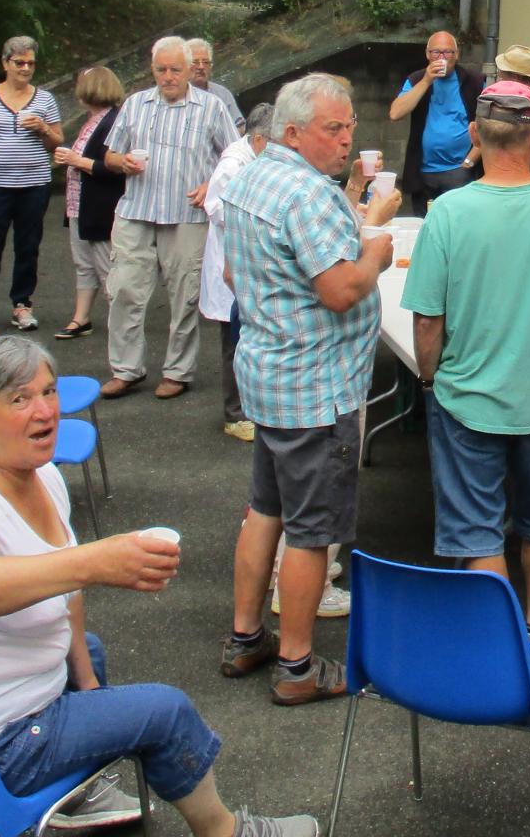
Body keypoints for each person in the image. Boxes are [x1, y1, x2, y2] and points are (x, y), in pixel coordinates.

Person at [0, 337, 315, 837]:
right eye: (18, 399)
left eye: (48, 392)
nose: (44, 410)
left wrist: (90, 689)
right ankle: (225, 831)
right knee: (165, 710)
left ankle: (77, 794)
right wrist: (90, 561)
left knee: (86, 650)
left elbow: (64, 593)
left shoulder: (41, 476)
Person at [402, 81, 530, 647]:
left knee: (478, 530)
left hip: (465, 394)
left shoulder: (448, 212)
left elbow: (427, 321)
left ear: (474, 135)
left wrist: (428, 377)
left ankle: (499, 645)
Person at [216, 76, 394, 705]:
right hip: (316, 388)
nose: (347, 140)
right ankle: (296, 666)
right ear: (293, 132)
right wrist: (375, 247)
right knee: (313, 532)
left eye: (349, 128)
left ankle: (246, 638)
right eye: (333, 128)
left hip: (270, 373)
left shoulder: (249, 179)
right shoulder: (307, 195)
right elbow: (342, 289)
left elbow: (237, 273)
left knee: (265, 510)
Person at [99, 38, 237, 401]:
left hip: (186, 214)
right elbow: (110, 154)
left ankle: (177, 371)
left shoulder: (211, 107)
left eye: (175, 69)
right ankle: (125, 369)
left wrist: (211, 184)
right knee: (125, 289)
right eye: (161, 70)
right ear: (152, 69)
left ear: (191, 69)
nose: (168, 77)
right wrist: (122, 162)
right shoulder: (134, 105)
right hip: (136, 210)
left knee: (184, 296)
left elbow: (235, 156)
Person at [0, 36, 64, 332]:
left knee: (28, 244)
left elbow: (57, 142)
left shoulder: (45, 99)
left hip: (34, 183)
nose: (25, 69)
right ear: (5, 63)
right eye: (19, 63)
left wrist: (43, 127)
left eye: (31, 63)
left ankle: (22, 303)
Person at [200, 102, 273, 442]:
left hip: (248, 262)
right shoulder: (233, 163)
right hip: (231, 263)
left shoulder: (255, 158)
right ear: (259, 139)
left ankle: (251, 407)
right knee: (234, 341)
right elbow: (215, 207)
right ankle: (234, 415)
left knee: (249, 338)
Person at [51, 66, 127, 341]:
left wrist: (75, 161)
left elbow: (115, 168)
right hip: (78, 205)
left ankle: (120, 322)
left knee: (107, 265)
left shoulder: (113, 122)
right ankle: (80, 318)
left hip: (100, 207)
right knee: (83, 263)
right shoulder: (91, 120)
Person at [388, 31, 482, 211]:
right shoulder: (416, 79)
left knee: (457, 227)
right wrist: (426, 81)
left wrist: (470, 162)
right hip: (424, 172)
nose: (442, 57)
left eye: (448, 52)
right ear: (427, 54)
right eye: (436, 53)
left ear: (457, 54)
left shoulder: (474, 80)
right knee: (425, 226)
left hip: (460, 170)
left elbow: (486, 124)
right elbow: (395, 113)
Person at [187, 38, 244, 133]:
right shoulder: (176, 96)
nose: (201, 67)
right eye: (195, 62)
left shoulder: (222, 94)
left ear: (211, 66)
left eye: (205, 62)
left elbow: (240, 127)